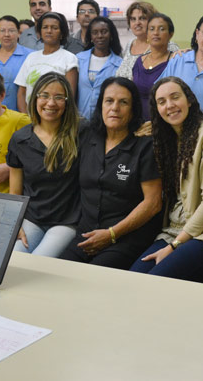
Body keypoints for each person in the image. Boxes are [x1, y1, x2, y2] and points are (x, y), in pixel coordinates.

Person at [130, 77, 203, 282]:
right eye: (162, 102)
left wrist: (174, 246)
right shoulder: (167, 139)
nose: (170, 105)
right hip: (172, 231)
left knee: (154, 282)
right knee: (133, 278)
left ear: (189, 100)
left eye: (175, 97)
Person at [60, 77, 162, 268]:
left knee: (95, 279)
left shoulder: (144, 145)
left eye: (123, 102)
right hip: (87, 233)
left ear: (133, 110)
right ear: (100, 106)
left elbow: (153, 203)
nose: (115, 108)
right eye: (109, 101)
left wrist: (112, 234)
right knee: (59, 273)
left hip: (126, 236)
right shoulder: (87, 135)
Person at [8, 73, 82, 257]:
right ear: (35, 98)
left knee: (41, 259)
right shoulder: (20, 139)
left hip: (66, 221)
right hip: (32, 218)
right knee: (15, 259)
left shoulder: (81, 132)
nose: (51, 103)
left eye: (59, 97)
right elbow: (15, 192)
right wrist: (15, 224)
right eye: (45, 96)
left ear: (67, 103)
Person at [14, 12, 78, 112]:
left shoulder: (69, 58)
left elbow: (69, 97)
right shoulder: (31, 57)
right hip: (31, 119)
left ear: (62, 34)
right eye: (45, 27)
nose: (49, 31)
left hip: (55, 116)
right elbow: (22, 93)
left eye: (54, 28)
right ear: (39, 33)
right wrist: (26, 119)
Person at [128, 13, 176, 116]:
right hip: (138, 123)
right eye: (152, 29)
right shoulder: (139, 61)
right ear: (147, 34)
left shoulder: (175, 61)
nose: (156, 33)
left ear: (170, 34)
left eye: (162, 29)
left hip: (165, 121)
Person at [116, 1, 179, 80]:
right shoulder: (130, 44)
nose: (137, 23)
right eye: (133, 19)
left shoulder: (168, 46)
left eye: (142, 18)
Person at [0, 15, 33, 111]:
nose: (7, 34)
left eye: (11, 30)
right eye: (2, 30)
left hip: (21, 114)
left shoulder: (30, 55)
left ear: (18, 33)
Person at [76, 16, 122, 120]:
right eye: (95, 32)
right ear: (91, 36)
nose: (100, 36)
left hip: (106, 121)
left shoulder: (119, 64)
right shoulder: (78, 59)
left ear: (111, 35)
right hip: (79, 121)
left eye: (104, 31)